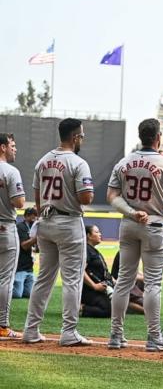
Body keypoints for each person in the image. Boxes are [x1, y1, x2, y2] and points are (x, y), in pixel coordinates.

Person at [107, 118, 163, 351]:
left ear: (141, 136)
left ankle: (116, 336)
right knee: (153, 284)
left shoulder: (123, 162)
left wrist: (131, 211)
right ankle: (153, 337)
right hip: (154, 224)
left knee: (123, 281)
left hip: (128, 223)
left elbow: (112, 195)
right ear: (158, 136)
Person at [24, 119, 95, 346]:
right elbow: (86, 198)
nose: (82, 139)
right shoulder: (78, 163)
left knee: (43, 279)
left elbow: (36, 197)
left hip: (45, 221)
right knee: (72, 280)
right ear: (75, 137)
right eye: (81, 136)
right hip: (69, 222)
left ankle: (31, 329)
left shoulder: (43, 160)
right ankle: (68, 332)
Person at [81, 225, 144, 318]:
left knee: (116, 307)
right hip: (91, 291)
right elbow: (80, 271)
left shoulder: (93, 251)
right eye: (97, 232)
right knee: (110, 310)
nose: (100, 234)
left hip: (105, 287)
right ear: (88, 236)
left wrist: (115, 282)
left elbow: (105, 273)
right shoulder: (86, 250)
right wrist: (94, 286)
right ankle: (82, 308)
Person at [0, 133, 25, 339]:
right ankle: (2, 325)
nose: (15, 149)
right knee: (5, 279)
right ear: (2, 148)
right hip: (5, 228)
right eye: (12, 145)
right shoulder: (10, 171)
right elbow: (19, 203)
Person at [13, 208, 37, 299]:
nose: (34, 219)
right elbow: (24, 246)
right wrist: (37, 237)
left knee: (30, 294)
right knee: (17, 294)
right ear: (26, 216)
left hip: (29, 268)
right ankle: (6, 285)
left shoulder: (33, 227)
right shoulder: (20, 227)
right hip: (20, 267)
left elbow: (37, 249)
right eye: (33, 216)